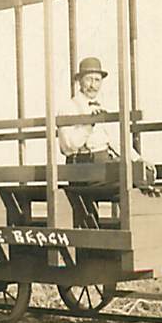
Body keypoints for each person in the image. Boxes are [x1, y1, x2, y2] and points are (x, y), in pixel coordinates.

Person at [57, 57, 155, 226]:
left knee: (144, 172)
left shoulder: (103, 106)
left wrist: (138, 160)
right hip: (81, 167)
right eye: (88, 79)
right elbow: (67, 147)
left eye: (97, 80)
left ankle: (136, 230)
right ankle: (125, 232)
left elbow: (116, 141)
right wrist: (88, 124)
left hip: (104, 165)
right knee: (132, 177)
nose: (93, 85)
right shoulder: (68, 107)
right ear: (79, 81)